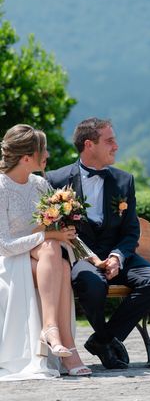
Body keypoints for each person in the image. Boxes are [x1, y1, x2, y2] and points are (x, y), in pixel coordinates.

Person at [47, 118, 150, 370]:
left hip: (118, 258)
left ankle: (103, 339)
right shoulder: (55, 180)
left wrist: (117, 257)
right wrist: (90, 257)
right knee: (91, 283)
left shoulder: (125, 181)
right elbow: (54, 228)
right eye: (110, 140)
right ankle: (106, 340)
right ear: (89, 144)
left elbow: (130, 230)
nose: (116, 145)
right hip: (80, 259)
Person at [0, 124, 91, 380]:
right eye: (44, 150)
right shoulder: (1, 187)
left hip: (39, 256)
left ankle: (52, 332)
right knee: (54, 253)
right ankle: (67, 347)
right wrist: (48, 235)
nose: (48, 155)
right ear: (27, 158)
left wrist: (90, 256)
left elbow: (63, 230)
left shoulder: (40, 185)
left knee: (58, 260)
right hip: (6, 259)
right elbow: (3, 245)